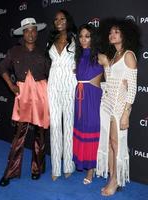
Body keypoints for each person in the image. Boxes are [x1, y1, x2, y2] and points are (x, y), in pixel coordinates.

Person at [0, 18, 50, 186]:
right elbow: (2, 67)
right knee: (18, 135)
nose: (30, 33)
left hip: (42, 94)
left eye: (33, 30)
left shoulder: (43, 52)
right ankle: (10, 172)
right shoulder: (14, 51)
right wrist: (11, 85)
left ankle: (37, 168)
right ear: (23, 33)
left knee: (40, 134)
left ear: (37, 32)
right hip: (23, 95)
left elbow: (52, 74)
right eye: (27, 30)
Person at [96, 18, 141, 196]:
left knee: (116, 143)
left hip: (120, 106)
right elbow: (110, 80)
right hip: (107, 103)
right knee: (109, 143)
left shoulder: (129, 55)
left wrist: (126, 114)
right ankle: (112, 176)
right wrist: (107, 65)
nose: (112, 35)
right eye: (110, 32)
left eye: (116, 32)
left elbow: (133, 87)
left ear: (125, 34)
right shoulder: (114, 56)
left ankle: (115, 180)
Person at [46, 10, 77, 181]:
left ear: (68, 20)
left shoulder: (75, 40)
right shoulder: (50, 41)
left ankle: (68, 166)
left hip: (70, 86)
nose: (59, 21)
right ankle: (56, 168)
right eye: (56, 19)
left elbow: (85, 59)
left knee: (68, 126)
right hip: (53, 86)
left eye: (62, 18)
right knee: (55, 126)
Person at [73, 24, 104, 184]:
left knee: (92, 130)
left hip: (92, 97)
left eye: (87, 36)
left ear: (93, 38)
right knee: (81, 129)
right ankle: (82, 163)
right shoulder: (78, 56)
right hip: (79, 97)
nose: (83, 39)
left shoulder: (100, 56)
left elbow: (112, 73)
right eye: (81, 36)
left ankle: (91, 171)